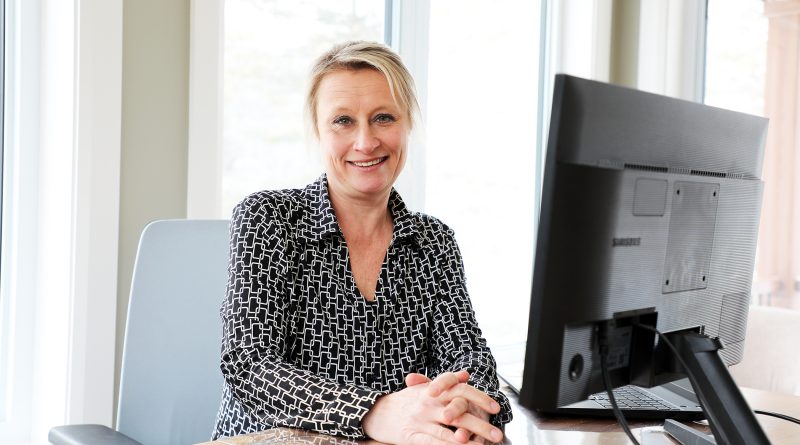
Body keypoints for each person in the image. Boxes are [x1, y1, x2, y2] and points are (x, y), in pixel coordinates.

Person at [212, 41, 512, 444]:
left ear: (408, 123)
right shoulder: (268, 219)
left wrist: (469, 405)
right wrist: (374, 411)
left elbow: (468, 355)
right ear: (318, 131)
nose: (366, 142)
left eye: (383, 117)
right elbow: (250, 366)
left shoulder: (433, 241)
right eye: (342, 121)